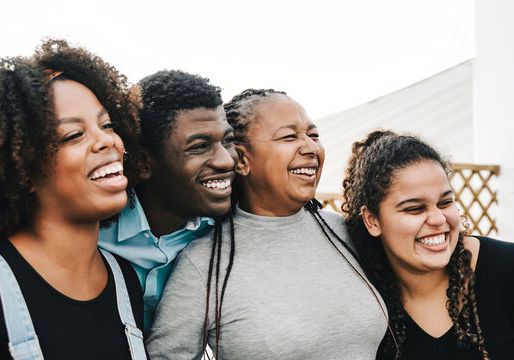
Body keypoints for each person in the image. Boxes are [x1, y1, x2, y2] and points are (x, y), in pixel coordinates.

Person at [146, 89, 389, 359]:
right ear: (241, 160)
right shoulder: (203, 264)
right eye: (289, 136)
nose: (310, 147)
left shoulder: (347, 231)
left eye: (314, 135)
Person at [0, 39, 147, 359]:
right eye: (72, 135)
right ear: (20, 166)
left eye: (107, 124)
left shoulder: (125, 280)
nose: (105, 140)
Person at [342, 130, 514, 359]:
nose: (438, 219)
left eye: (445, 202)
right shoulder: (361, 300)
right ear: (372, 221)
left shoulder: (506, 269)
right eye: (414, 208)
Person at [97, 69, 238, 328]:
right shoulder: (93, 233)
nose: (226, 160)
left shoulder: (229, 234)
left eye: (228, 141)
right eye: (199, 146)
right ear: (142, 163)